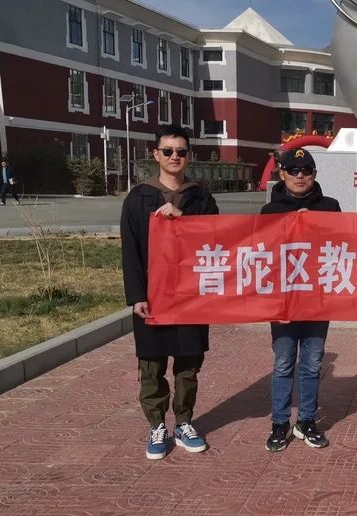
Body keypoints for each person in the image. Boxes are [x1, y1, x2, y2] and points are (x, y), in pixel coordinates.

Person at [120, 124, 219, 460]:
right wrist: (137, 296)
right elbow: (130, 251)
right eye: (168, 151)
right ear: (156, 155)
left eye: (181, 151)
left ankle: (185, 422)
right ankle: (157, 425)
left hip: (191, 295)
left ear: (188, 155)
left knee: (188, 364)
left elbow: (216, 238)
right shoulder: (139, 198)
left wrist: (184, 220)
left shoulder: (200, 197)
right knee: (152, 364)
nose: (174, 157)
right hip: (153, 296)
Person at [260, 148, 341, 452]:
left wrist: (316, 224)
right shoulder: (270, 211)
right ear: (282, 174)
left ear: (314, 174)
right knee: (283, 363)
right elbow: (261, 256)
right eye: (293, 170)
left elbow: (343, 246)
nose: (300, 176)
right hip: (282, 300)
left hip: (318, 299)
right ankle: (279, 422)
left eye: (306, 170)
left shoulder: (330, 207)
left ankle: (306, 420)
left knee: (312, 363)